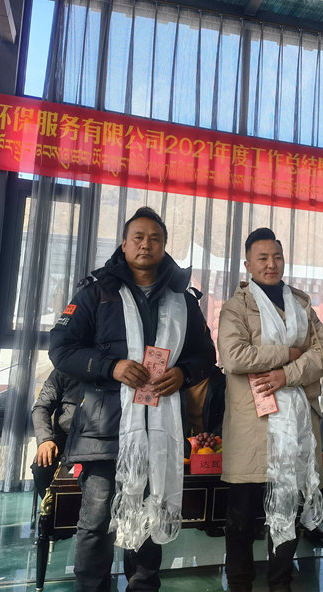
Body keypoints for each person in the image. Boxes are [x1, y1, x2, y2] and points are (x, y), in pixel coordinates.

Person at [49, 207, 216, 592]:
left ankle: (143, 586)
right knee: (96, 524)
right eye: (138, 238)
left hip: (160, 427)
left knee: (150, 516)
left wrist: (184, 373)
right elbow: (60, 348)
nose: (146, 245)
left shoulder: (182, 298)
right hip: (105, 431)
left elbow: (205, 354)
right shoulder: (97, 292)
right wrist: (111, 367)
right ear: (124, 244)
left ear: (164, 246)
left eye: (154, 239)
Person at [218, 227, 323, 592]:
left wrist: (286, 374)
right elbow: (234, 356)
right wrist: (287, 352)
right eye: (263, 258)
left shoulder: (300, 304)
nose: (271, 264)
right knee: (241, 516)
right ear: (248, 264)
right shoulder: (236, 306)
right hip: (252, 427)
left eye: (277, 257)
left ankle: (280, 583)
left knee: (287, 509)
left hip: (297, 424)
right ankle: (240, 584)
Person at [30, 369, 81, 498]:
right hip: (66, 439)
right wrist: (45, 440)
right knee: (41, 466)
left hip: (103, 441)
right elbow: (41, 407)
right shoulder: (62, 371)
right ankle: (50, 506)